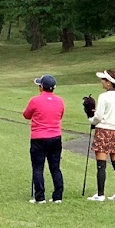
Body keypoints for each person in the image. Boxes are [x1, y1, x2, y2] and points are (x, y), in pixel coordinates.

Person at [23, 74, 65, 203]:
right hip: (55, 137)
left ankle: (40, 197)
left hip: (39, 138)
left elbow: (26, 115)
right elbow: (60, 115)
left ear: (41, 87)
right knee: (55, 168)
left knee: (38, 168)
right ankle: (58, 196)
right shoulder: (60, 101)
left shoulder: (35, 100)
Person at [87, 69, 115, 202]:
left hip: (103, 131)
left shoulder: (103, 97)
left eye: (103, 80)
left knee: (101, 164)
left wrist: (90, 119)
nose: (101, 82)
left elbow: (98, 117)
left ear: (109, 83)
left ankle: (100, 194)